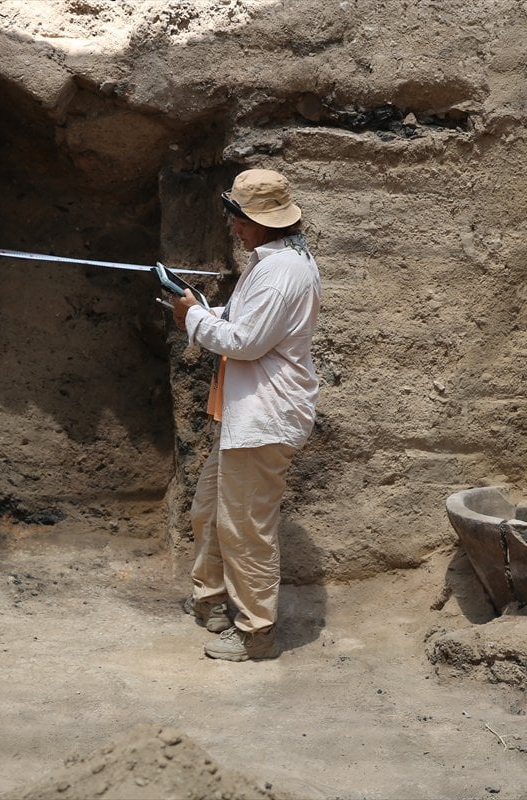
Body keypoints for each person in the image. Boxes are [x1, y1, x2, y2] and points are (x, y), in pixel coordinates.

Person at [171, 169, 321, 661]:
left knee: (245, 529)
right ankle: (211, 600)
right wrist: (199, 310)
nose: (233, 227)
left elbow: (246, 343)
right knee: (210, 511)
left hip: (264, 418)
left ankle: (256, 632)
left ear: (261, 221)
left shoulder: (282, 273)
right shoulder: (273, 263)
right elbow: (242, 325)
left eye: (238, 218)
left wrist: (192, 318)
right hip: (243, 419)